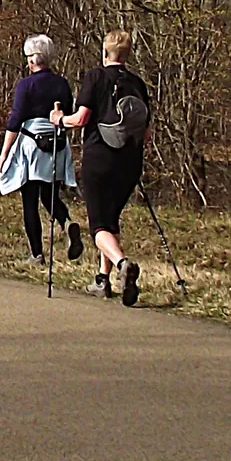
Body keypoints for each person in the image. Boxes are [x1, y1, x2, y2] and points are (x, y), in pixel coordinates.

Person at [54, 29, 152, 305]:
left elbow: (81, 119)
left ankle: (122, 264)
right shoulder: (138, 84)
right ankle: (102, 280)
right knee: (110, 220)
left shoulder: (95, 77)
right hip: (130, 161)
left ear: (105, 52)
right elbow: (146, 132)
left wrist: (59, 119)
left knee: (98, 227)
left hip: (100, 158)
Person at [0, 35, 77, 264]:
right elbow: (68, 113)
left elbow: (16, 120)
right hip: (57, 144)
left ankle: (37, 253)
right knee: (50, 195)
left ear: (32, 60)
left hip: (32, 146)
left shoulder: (26, 85)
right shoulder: (62, 84)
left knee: (29, 201)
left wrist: (4, 154)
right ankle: (67, 223)